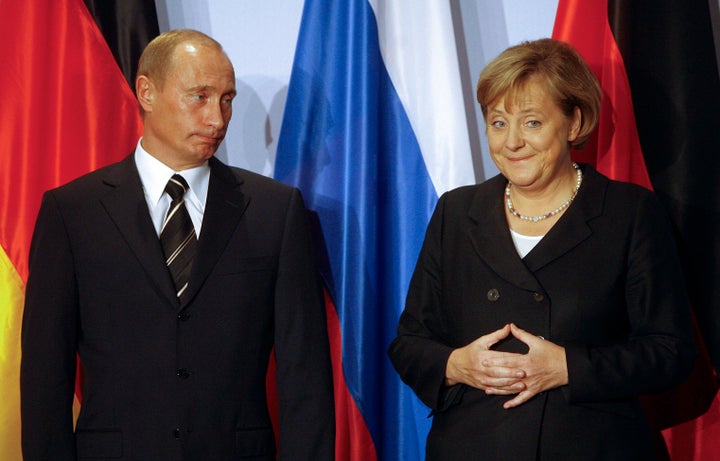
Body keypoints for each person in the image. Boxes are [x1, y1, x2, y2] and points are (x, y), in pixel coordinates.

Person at [21, 29, 334, 461]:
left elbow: (306, 377)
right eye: (200, 97)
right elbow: (45, 377)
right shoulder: (72, 212)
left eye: (227, 99)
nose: (218, 120)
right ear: (146, 92)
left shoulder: (275, 211)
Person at [388, 38, 695, 460]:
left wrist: (569, 367)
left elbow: (670, 351)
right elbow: (409, 342)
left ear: (574, 123)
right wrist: (454, 364)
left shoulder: (629, 212)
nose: (511, 142)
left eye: (531, 122)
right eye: (498, 123)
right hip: (473, 446)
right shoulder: (456, 212)